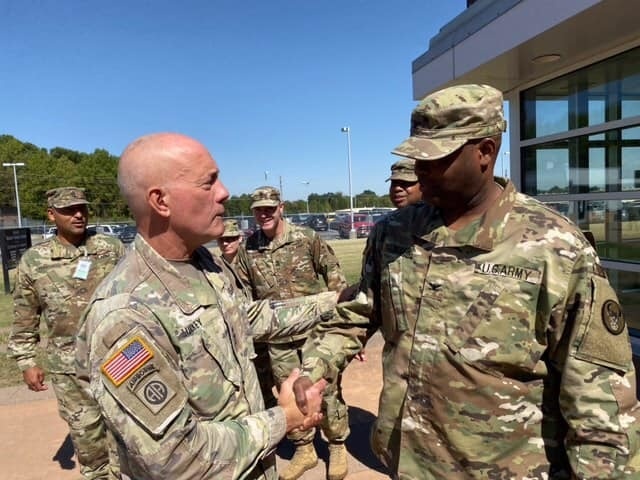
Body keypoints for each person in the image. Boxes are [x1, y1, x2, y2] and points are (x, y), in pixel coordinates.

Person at [294, 84, 640, 479]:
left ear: (486, 152)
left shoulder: (554, 247)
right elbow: (356, 314)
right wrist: (316, 367)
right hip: (407, 463)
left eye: (436, 158)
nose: (420, 169)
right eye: (416, 156)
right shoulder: (394, 235)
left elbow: (601, 402)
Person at [75, 132, 335, 480]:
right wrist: (284, 418)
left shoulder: (203, 263)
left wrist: (334, 302)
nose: (225, 192)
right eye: (208, 182)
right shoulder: (125, 314)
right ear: (161, 201)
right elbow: (177, 459)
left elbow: (245, 318)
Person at [8, 187, 125, 480]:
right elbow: (25, 316)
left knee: (127, 432)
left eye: (82, 208)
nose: (78, 214)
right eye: (68, 209)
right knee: (87, 437)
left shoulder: (110, 248)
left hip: (119, 357)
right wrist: (27, 362)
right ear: (51, 215)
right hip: (69, 367)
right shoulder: (35, 260)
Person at [236, 186, 350, 480]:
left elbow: (335, 279)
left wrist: (345, 326)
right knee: (289, 396)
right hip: (278, 342)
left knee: (327, 389)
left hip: (316, 334)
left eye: (269, 209)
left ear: (281, 208)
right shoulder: (248, 249)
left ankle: (337, 445)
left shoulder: (306, 238)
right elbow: (246, 298)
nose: (264, 214)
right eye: (258, 210)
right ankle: (305, 448)